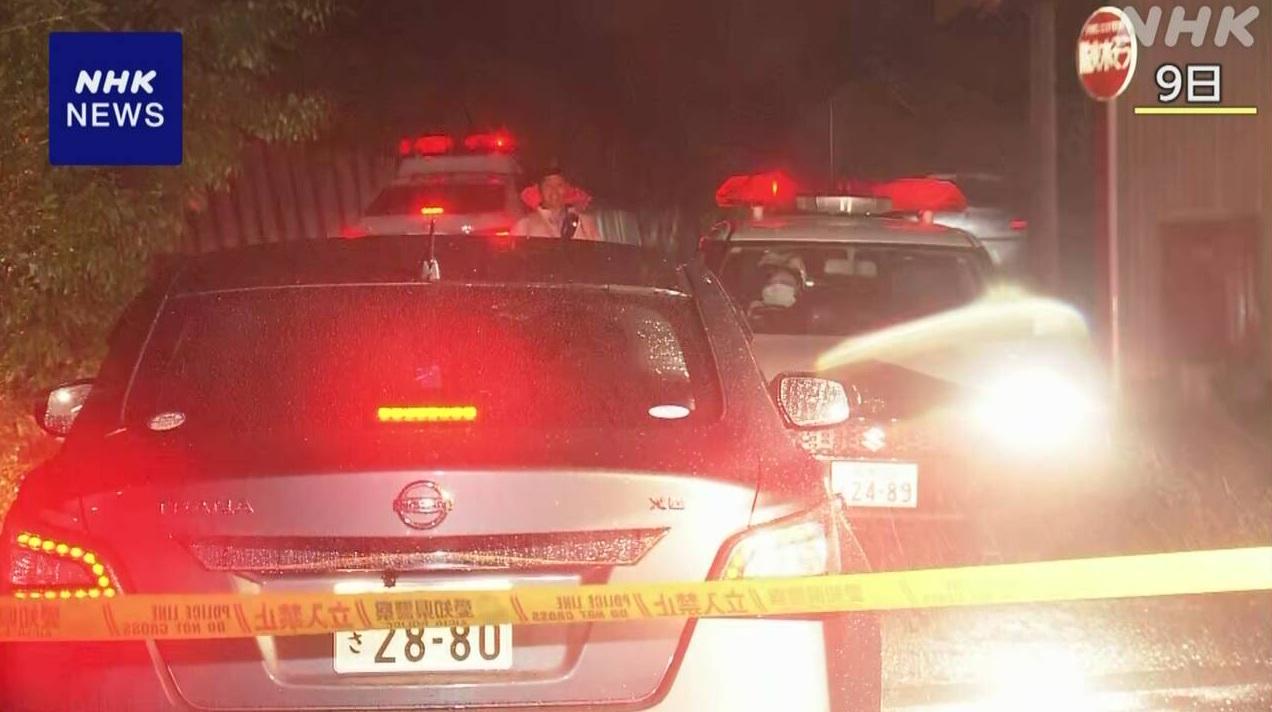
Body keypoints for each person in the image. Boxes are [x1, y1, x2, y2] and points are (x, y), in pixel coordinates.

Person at [510, 168, 601, 240]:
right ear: (540, 190)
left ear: (567, 188)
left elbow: (598, 254)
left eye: (559, 185)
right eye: (548, 185)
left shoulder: (585, 224)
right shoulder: (525, 226)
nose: (554, 191)